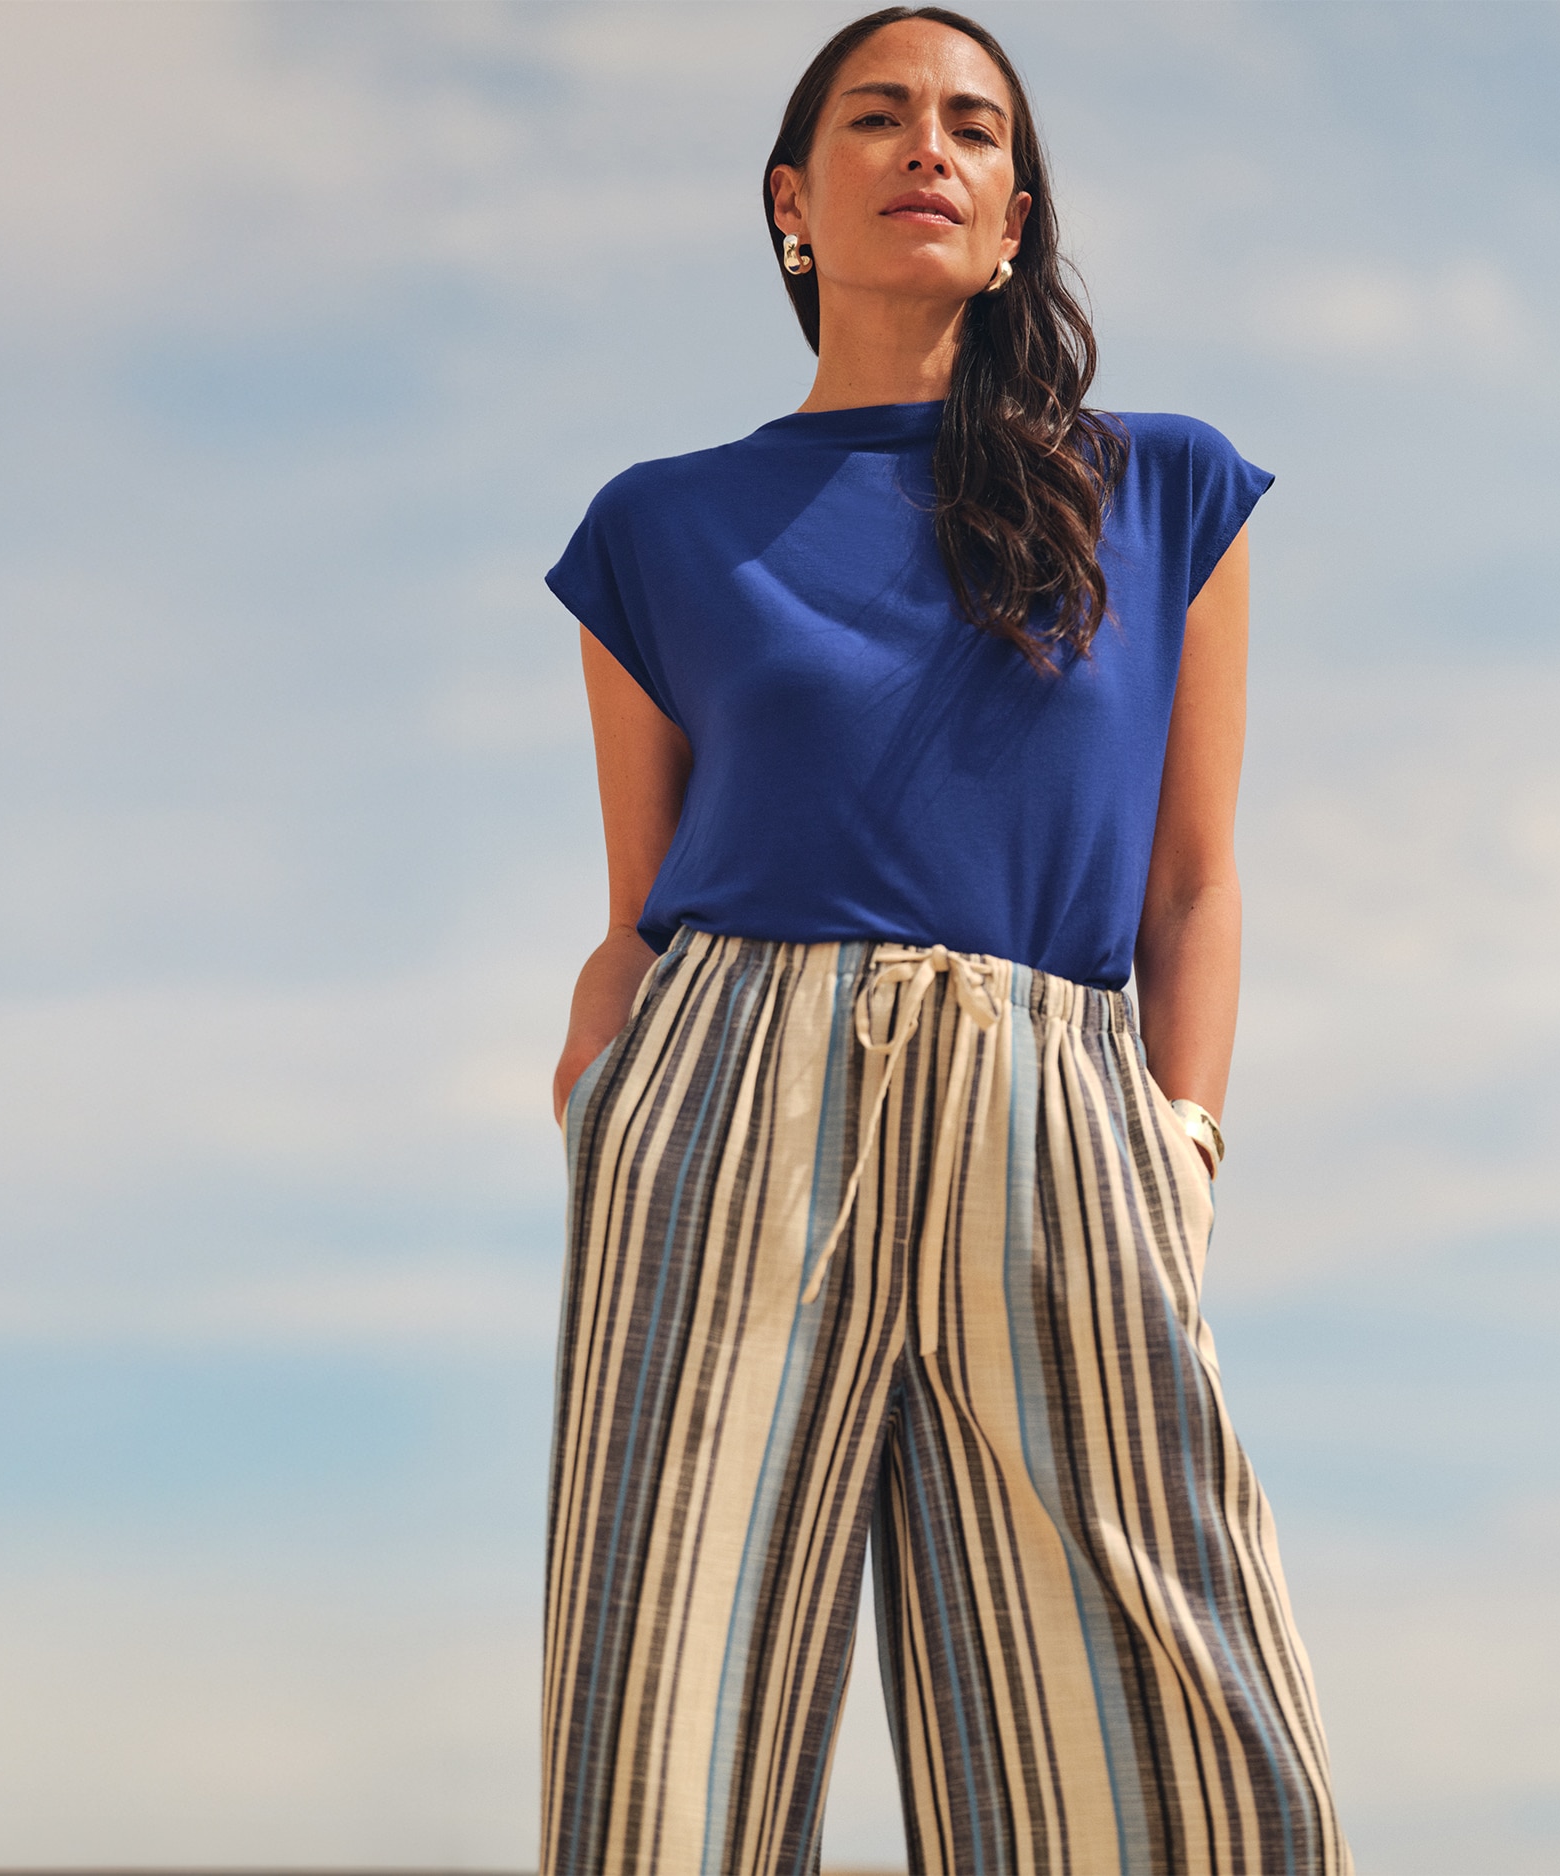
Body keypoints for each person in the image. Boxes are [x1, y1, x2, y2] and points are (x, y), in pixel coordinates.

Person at [539, 9, 1351, 1872]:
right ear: (792, 201)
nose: (932, 146)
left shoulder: (1157, 491)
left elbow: (1195, 882)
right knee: (670, 1728)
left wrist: (1181, 1145)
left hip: (1057, 1107)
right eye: (881, 116)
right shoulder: (660, 529)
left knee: (1174, 1724)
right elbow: (634, 912)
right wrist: (605, 1110)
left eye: (976, 128)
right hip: (729, 1111)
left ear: (1011, 213)